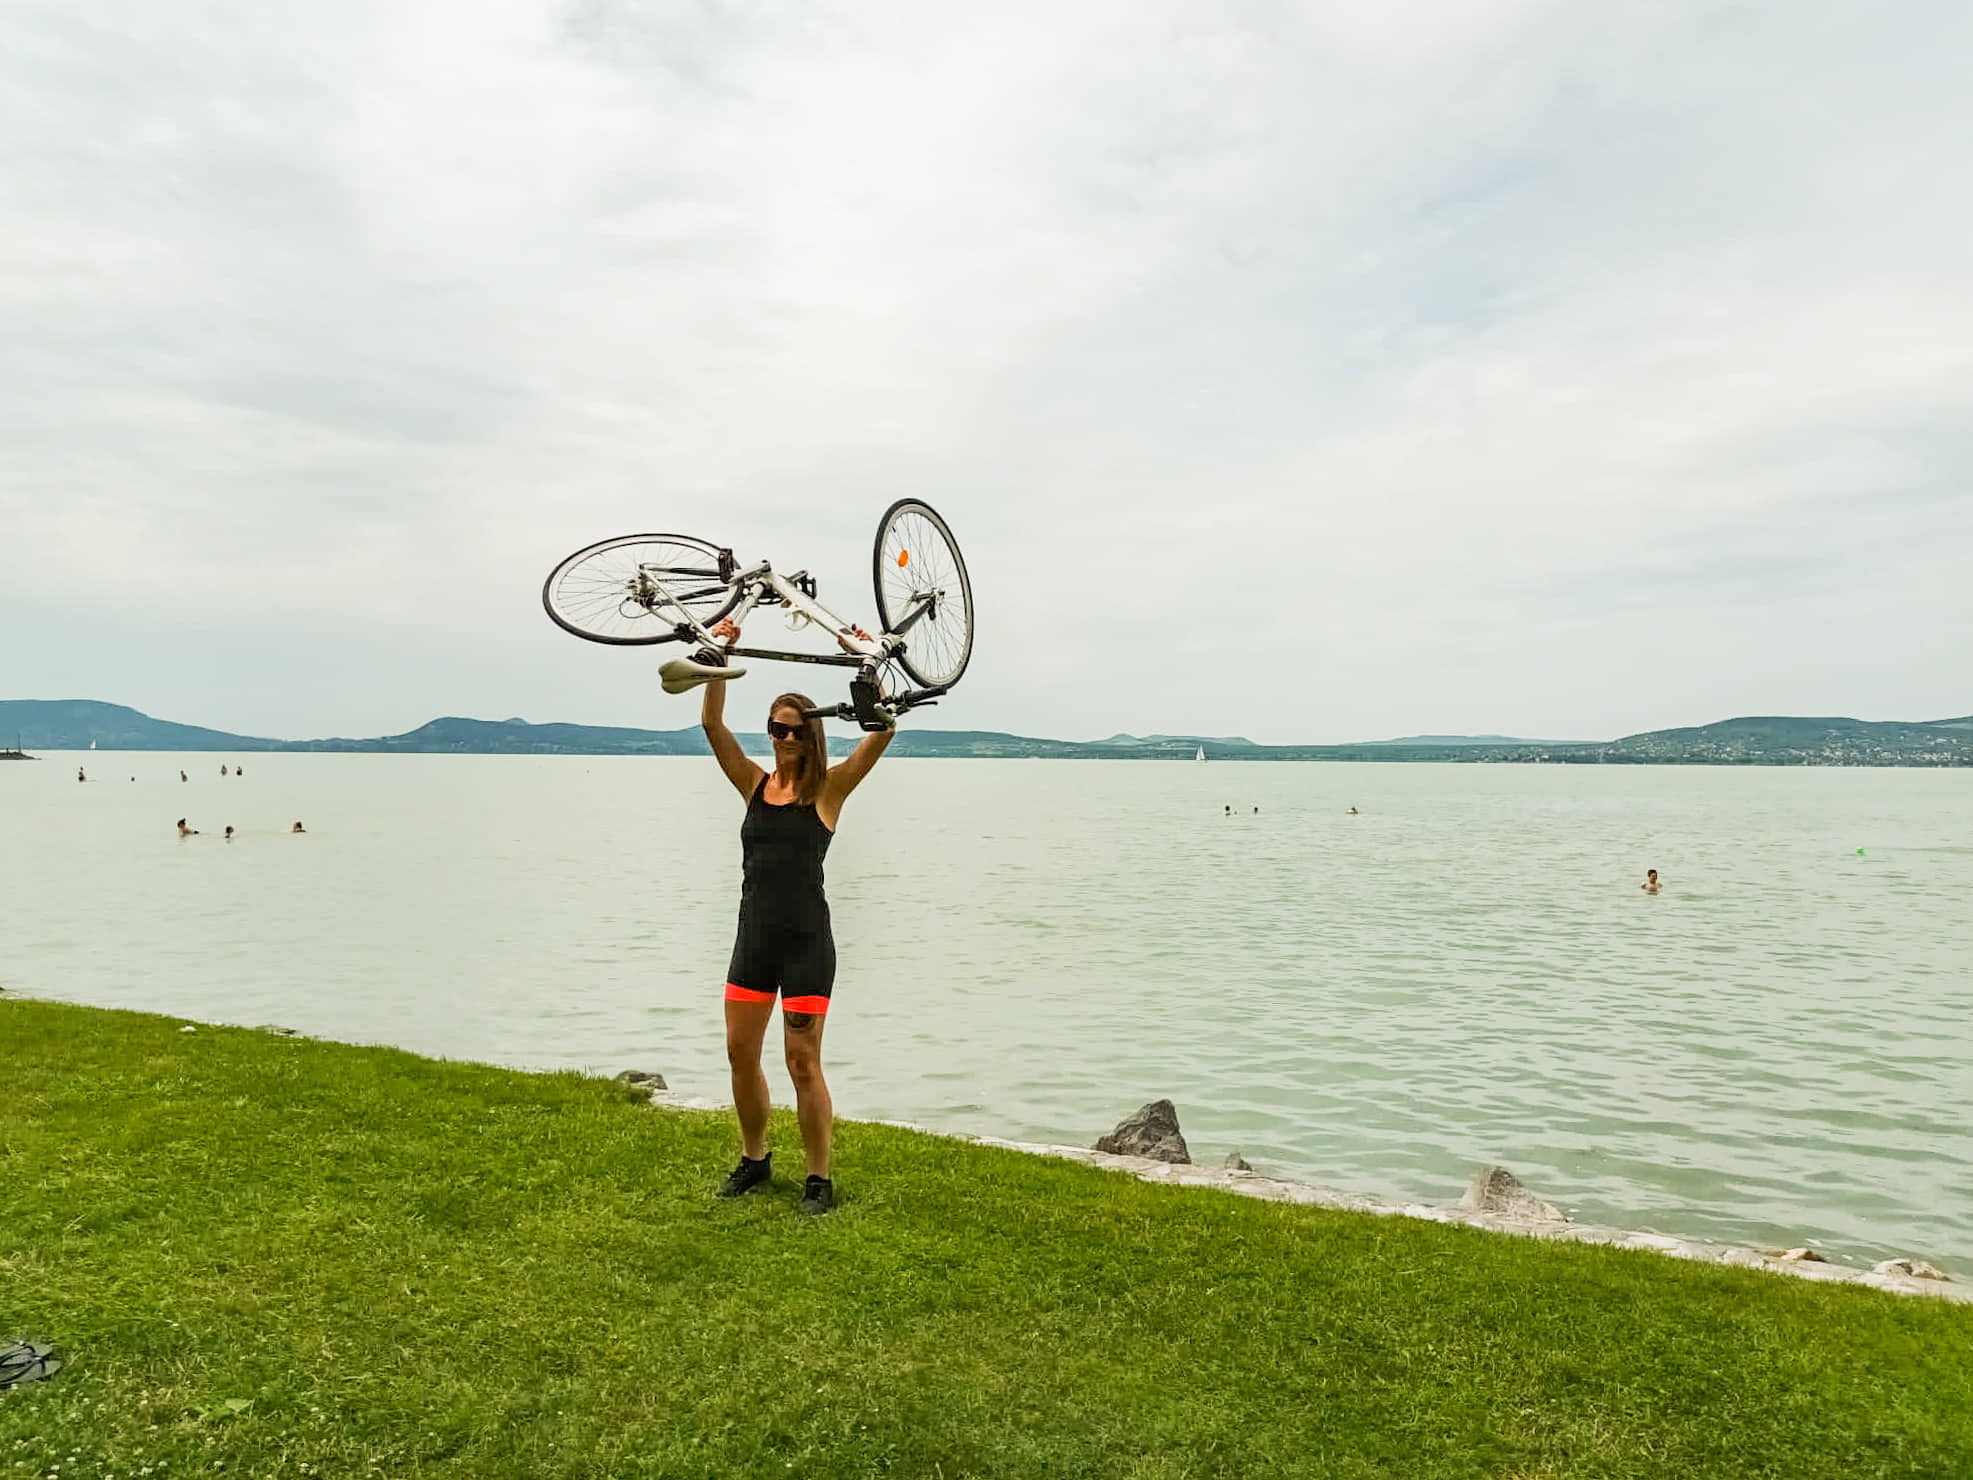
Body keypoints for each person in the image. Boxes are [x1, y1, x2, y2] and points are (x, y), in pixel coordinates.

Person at [701, 615, 893, 1216]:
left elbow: (882, 731)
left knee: (802, 1060)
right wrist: (719, 653)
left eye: (792, 730)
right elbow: (712, 723)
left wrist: (868, 664)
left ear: (811, 735)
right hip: (753, 939)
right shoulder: (753, 784)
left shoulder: (829, 791)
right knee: (740, 1053)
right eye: (775, 728)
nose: (782, 738)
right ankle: (755, 1161)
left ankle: (818, 1180)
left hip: (808, 943)